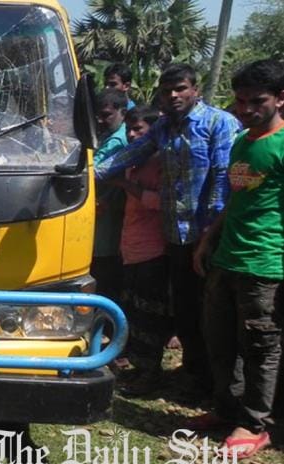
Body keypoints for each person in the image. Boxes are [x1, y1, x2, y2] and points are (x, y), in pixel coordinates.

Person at [95, 63, 241, 397]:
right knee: (186, 311)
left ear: (196, 89)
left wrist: (208, 234)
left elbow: (222, 179)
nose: (173, 96)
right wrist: (88, 174)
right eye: (167, 90)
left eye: (180, 89)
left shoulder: (219, 123)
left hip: (210, 238)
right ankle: (194, 377)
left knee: (215, 315)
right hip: (176, 237)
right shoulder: (164, 128)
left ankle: (218, 389)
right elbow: (131, 153)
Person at [190, 59, 284, 458]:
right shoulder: (244, 142)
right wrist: (208, 239)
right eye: (240, 100)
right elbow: (238, 199)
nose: (245, 109)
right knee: (220, 341)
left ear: (281, 98)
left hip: (265, 266)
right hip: (226, 258)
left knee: (261, 348)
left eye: (256, 101)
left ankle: (255, 423)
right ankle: (226, 410)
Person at [109, 105, 171, 395]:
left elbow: (161, 202)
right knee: (133, 310)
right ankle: (138, 367)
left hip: (152, 251)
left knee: (150, 316)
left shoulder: (160, 163)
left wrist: (124, 184)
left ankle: (151, 374)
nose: (132, 135)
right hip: (131, 248)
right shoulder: (133, 162)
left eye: (138, 130)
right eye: (130, 129)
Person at [91, 88, 128, 303]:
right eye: (99, 115)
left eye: (107, 115)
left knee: (103, 274)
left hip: (107, 215)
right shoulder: (108, 136)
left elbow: (95, 170)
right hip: (102, 214)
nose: (101, 120)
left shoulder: (118, 141)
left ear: (122, 112)